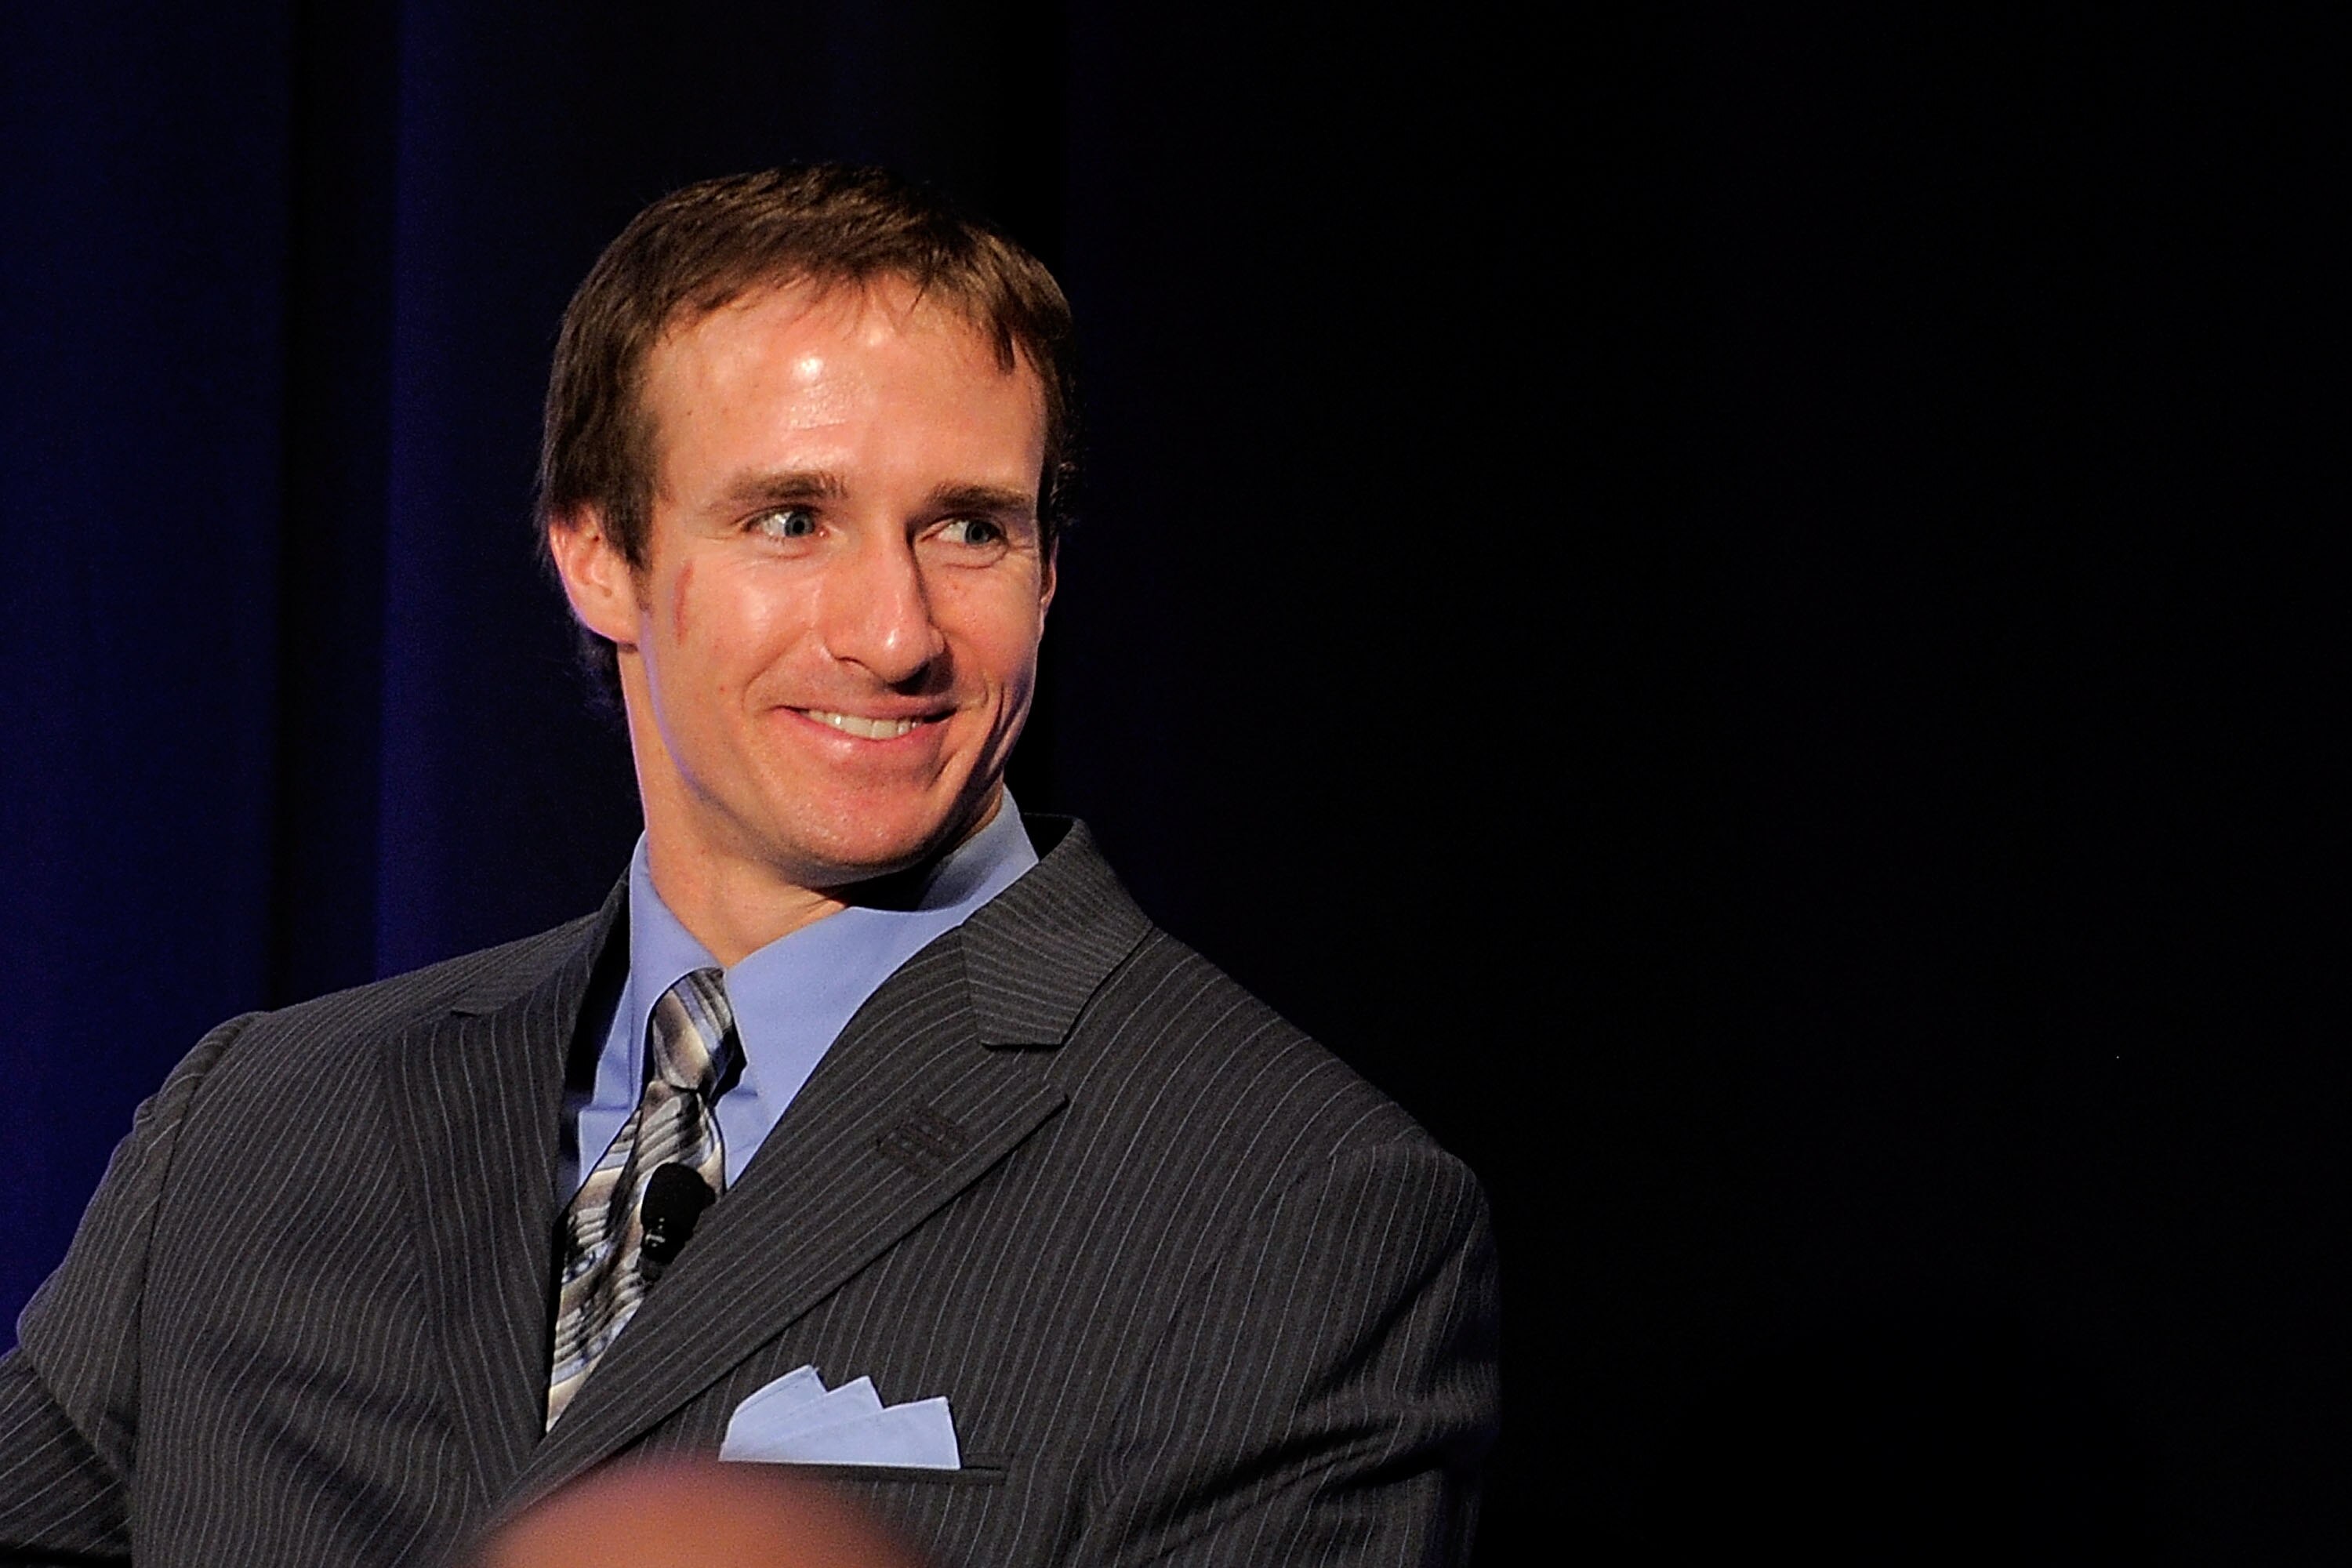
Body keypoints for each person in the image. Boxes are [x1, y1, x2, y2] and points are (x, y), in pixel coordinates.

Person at [0, 165, 1498, 1566]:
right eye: (792, 519)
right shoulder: (251, 1126)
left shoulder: (1291, 1199)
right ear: (599, 555)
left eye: (970, 529)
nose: (897, 633)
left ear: (1048, 568)